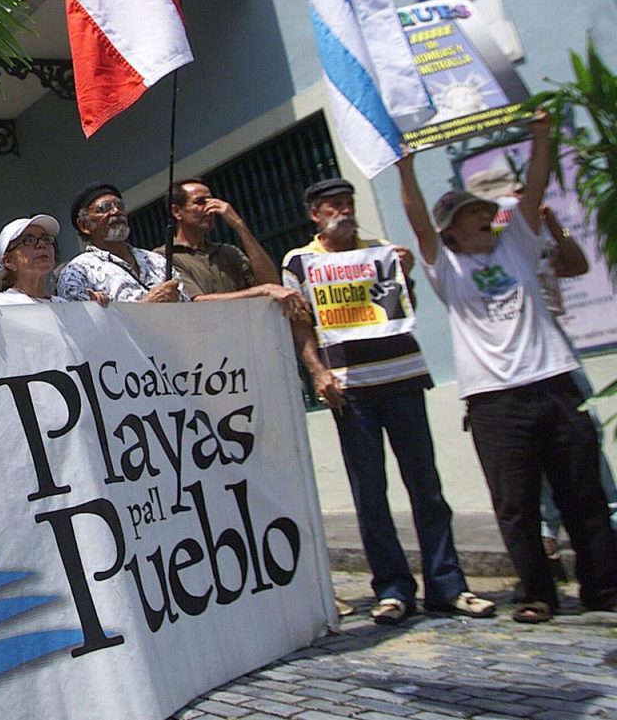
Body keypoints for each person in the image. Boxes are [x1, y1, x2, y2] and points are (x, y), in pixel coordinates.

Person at [398, 110, 617, 623]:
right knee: (516, 505)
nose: (486, 217)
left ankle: (604, 589)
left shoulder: (516, 243)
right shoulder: (445, 267)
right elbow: (415, 221)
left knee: (583, 495)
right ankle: (537, 593)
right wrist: (405, 169)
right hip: (495, 399)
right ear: (452, 229)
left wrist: (539, 134)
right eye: (474, 213)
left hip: (555, 384)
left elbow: (534, 189)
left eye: (487, 210)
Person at [282, 177, 492, 624]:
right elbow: (301, 325)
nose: (344, 211)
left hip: (401, 376)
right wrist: (317, 372)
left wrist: (406, 273)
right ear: (315, 215)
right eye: (333, 206)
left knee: (426, 487)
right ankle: (393, 588)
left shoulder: (381, 249)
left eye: (347, 203)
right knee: (371, 493)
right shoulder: (300, 262)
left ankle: (447, 584)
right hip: (349, 387)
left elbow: (403, 308)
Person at [465, 169, 617, 566]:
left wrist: (551, 220)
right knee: (531, 444)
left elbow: (576, 265)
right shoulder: (496, 241)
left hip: (552, 340)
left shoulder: (530, 231)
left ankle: (608, 515)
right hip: (513, 349)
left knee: (584, 428)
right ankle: (547, 526)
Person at [154, 178, 308, 319]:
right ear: (177, 211)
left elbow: (272, 283)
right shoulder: (164, 257)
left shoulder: (229, 252)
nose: (210, 209)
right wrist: (262, 291)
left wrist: (239, 226)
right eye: (200, 202)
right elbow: (196, 302)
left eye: (211, 201)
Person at [55, 183, 183, 304]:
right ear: (84, 225)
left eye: (120, 206)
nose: (116, 211)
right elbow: (81, 325)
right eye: (104, 208)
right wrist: (148, 304)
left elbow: (188, 307)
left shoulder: (157, 261)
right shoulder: (77, 272)